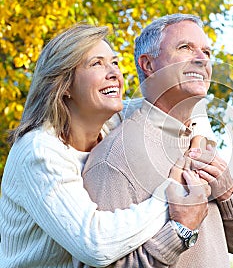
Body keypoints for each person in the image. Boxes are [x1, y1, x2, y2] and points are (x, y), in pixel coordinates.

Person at [0, 24, 210, 268]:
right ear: (64, 85)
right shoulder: (39, 151)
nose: (114, 74)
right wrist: (171, 196)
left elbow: (183, 105)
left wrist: (200, 140)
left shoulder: (110, 122)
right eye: (96, 63)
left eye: (115, 63)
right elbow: (95, 244)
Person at [80, 13, 233, 267]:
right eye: (185, 47)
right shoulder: (114, 158)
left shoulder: (201, 142)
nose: (201, 59)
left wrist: (228, 190)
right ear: (148, 65)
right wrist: (180, 232)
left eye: (207, 52)